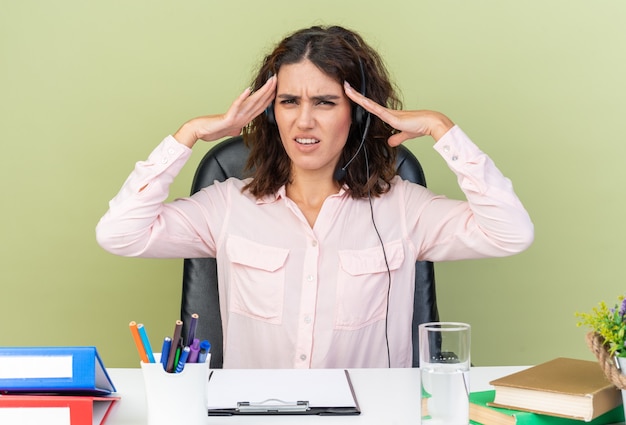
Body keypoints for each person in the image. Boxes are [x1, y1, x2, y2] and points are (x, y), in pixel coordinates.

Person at [96, 25, 533, 369]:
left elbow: (510, 234)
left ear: (357, 115)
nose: (304, 121)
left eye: (325, 102)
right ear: (271, 112)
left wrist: (442, 129)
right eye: (288, 101)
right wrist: (188, 135)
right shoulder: (226, 205)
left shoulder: (404, 208)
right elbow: (119, 235)